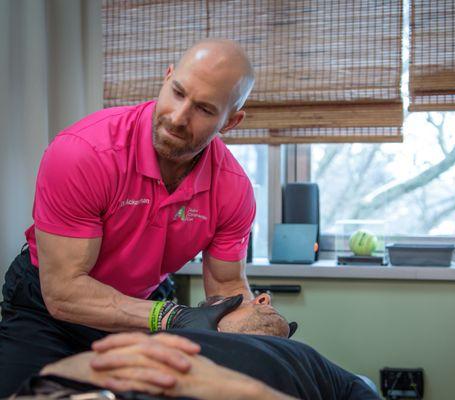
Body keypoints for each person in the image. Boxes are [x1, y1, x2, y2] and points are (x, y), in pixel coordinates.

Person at [0, 38, 261, 396]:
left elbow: (228, 286)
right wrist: (168, 317)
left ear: (231, 121)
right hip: (46, 310)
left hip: (141, 303)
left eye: (203, 109)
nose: (178, 117)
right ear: (167, 77)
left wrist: (255, 323)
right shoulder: (84, 153)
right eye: (178, 92)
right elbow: (63, 292)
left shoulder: (233, 188)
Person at [15, 330, 380, 399]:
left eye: (267, 304)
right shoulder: (159, 334)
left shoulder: (304, 358)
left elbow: (358, 388)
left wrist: (247, 393)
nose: (262, 298)